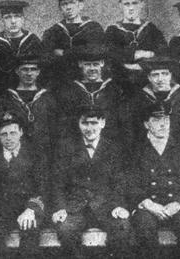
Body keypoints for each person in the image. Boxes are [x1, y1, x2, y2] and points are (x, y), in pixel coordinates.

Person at [51, 106, 134, 258]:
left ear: (102, 123)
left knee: (122, 226)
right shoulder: (66, 147)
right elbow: (57, 182)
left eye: (94, 123)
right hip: (75, 208)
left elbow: (120, 182)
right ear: (78, 124)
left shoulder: (113, 148)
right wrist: (60, 208)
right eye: (85, 123)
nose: (89, 128)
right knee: (65, 230)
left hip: (106, 207)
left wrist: (118, 205)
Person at [127, 103, 180, 259]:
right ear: (146, 124)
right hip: (147, 207)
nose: (163, 124)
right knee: (144, 228)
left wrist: (179, 203)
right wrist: (147, 203)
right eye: (156, 120)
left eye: (166, 120)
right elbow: (129, 182)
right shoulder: (135, 150)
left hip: (177, 205)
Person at [0, 112, 46, 258]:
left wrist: (31, 209)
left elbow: (42, 186)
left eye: (13, 133)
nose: (9, 138)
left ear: (21, 132)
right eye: (4, 134)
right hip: (0, 210)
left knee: (30, 227)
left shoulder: (35, 155)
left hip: (28, 208)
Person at [123, 56, 180, 148]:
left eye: (164, 74)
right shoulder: (140, 99)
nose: (160, 79)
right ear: (149, 77)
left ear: (170, 75)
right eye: (155, 75)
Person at [105, 0, 167, 97]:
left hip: (148, 82)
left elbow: (163, 53)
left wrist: (141, 65)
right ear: (120, 5)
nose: (131, 8)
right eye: (126, 4)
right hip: (120, 82)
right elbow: (110, 54)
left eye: (135, 3)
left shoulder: (151, 29)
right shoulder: (112, 30)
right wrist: (136, 54)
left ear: (142, 4)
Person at [56, 45, 125, 140]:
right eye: (87, 64)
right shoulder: (70, 90)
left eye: (95, 64)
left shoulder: (114, 89)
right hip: (78, 141)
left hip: (110, 140)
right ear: (80, 64)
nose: (92, 68)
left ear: (102, 63)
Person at [41, 0, 105, 88]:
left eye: (72, 3)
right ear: (60, 8)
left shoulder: (93, 27)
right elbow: (46, 57)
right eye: (64, 4)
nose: (68, 7)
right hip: (61, 79)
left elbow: (94, 52)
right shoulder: (53, 31)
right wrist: (79, 51)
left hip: (88, 80)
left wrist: (63, 53)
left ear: (81, 5)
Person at [0, 54, 59, 154]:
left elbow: (55, 128)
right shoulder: (7, 98)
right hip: (17, 152)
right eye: (25, 69)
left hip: (43, 151)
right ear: (17, 71)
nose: (29, 73)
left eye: (33, 69)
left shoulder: (48, 98)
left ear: (38, 72)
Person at [0, 0, 42, 97]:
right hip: (2, 91)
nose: (13, 21)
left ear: (23, 19)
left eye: (17, 16)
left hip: (31, 91)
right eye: (7, 17)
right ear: (2, 20)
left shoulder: (33, 40)